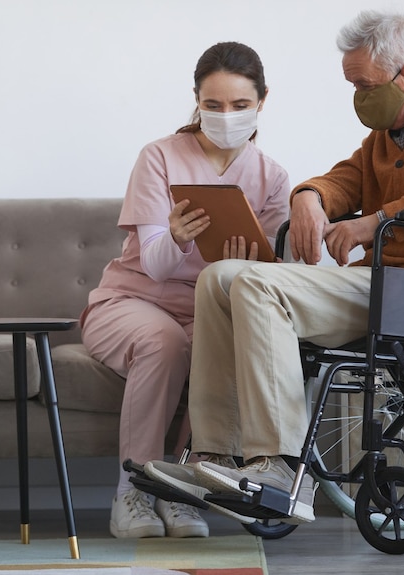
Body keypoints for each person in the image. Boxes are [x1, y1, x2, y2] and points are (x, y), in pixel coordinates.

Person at [144, 9, 404, 525]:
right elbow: (342, 179)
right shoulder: (389, 134)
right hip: (386, 284)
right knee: (219, 277)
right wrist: (308, 196)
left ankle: (278, 466)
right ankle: (215, 454)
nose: (358, 98)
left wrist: (375, 221)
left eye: (363, 85)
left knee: (257, 284)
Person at [80, 41, 291, 538]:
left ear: (262, 101)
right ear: (196, 100)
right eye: (213, 105)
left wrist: (244, 262)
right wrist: (175, 237)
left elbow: (278, 269)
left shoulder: (273, 177)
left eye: (240, 106)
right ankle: (132, 491)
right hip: (132, 302)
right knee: (165, 341)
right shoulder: (159, 158)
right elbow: (152, 266)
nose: (226, 116)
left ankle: (182, 490)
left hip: (209, 310)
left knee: (220, 347)